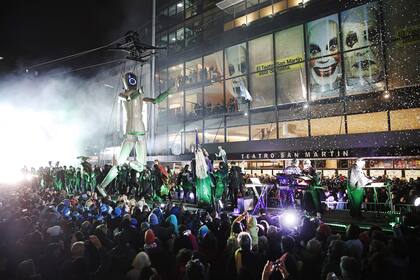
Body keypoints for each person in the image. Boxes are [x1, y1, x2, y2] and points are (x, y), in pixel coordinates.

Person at [97, 72, 172, 197]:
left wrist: (168, 92)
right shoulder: (123, 95)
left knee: (141, 166)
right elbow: (128, 98)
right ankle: (102, 186)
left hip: (139, 130)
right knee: (119, 163)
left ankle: (126, 164)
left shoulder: (138, 95)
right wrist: (138, 91)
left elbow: (156, 100)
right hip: (132, 130)